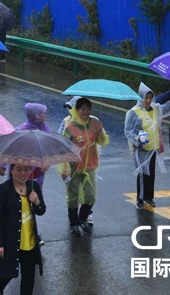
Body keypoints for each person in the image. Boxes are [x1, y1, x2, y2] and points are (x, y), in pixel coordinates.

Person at [0, 164, 46, 295]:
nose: (23, 173)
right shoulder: (3, 190)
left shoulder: (34, 187)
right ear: (12, 171)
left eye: (27, 169)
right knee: (6, 274)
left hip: (30, 243)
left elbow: (41, 210)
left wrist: (37, 202)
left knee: (28, 280)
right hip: (11, 242)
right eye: (19, 169)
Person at [59, 97, 108, 237]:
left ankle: (82, 218)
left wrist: (100, 131)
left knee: (90, 195)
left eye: (88, 109)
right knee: (73, 197)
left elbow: (102, 141)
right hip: (74, 167)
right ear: (77, 110)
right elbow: (63, 148)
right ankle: (74, 224)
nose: (85, 112)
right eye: (82, 109)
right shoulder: (70, 127)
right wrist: (65, 167)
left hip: (90, 166)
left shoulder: (94, 124)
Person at [125, 83, 170, 209]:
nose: (148, 100)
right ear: (140, 98)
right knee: (142, 174)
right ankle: (140, 198)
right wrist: (137, 138)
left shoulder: (155, 109)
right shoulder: (134, 112)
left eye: (150, 97)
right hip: (140, 149)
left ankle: (149, 197)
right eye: (145, 97)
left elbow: (167, 107)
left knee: (151, 174)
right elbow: (128, 131)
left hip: (152, 148)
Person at [0, 104, 51, 187]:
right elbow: (9, 149)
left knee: (33, 196)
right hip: (20, 172)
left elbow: (49, 148)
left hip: (36, 174)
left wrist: (47, 163)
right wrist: (1, 166)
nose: (46, 115)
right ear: (37, 115)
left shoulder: (44, 129)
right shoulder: (21, 131)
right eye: (44, 113)